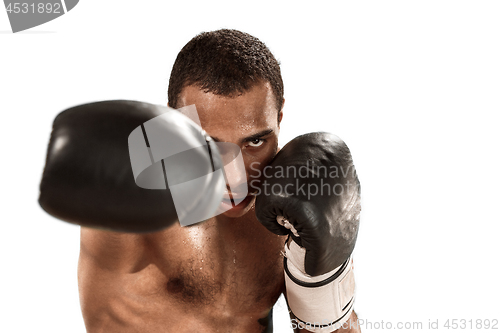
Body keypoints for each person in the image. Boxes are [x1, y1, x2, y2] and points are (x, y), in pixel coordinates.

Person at [39, 29, 361, 333]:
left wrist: (325, 284)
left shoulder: (287, 205)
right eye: (211, 145)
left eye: (254, 143)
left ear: (279, 118)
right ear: (169, 125)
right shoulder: (135, 205)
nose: (235, 179)